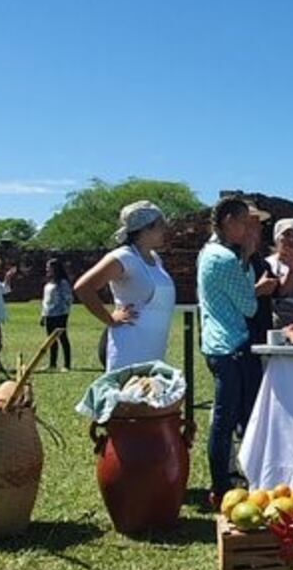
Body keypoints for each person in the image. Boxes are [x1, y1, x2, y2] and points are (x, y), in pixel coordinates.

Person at [198, 196, 278, 507]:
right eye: (244, 222)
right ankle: (221, 484)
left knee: (235, 416)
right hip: (230, 345)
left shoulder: (211, 252)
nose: (248, 229)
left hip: (222, 345)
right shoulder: (224, 258)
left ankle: (238, 478)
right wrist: (250, 273)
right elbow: (247, 304)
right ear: (229, 221)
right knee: (226, 418)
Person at [74, 200, 175, 372]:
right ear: (146, 228)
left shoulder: (155, 259)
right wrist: (110, 319)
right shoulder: (124, 257)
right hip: (129, 348)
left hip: (154, 348)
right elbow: (83, 288)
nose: (165, 230)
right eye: (160, 225)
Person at [244, 205, 276, 345]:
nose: (260, 229)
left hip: (261, 334)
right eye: (255, 224)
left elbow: (279, 292)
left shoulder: (261, 263)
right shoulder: (230, 261)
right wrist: (257, 289)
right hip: (242, 338)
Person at [41, 258, 73, 371]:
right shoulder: (49, 282)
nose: (47, 269)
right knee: (51, 339)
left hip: (60, 314)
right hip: (49, 314)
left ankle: (67, 364)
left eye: (49, 267)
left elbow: (68, 298)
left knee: (63, 338)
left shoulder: (62, 283)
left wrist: (63, 311)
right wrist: (43, 314)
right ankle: (52, 364)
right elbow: (45, 300)